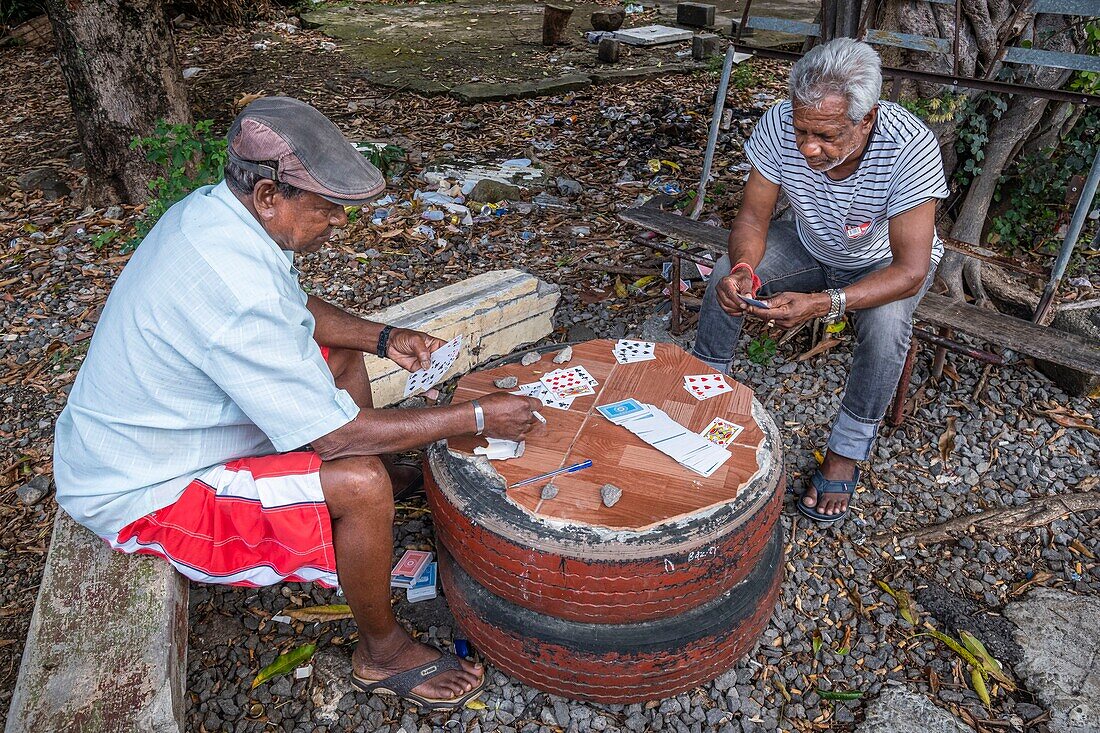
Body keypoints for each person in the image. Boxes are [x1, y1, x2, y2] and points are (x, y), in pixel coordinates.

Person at [53, 96, 543, 709]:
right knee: (359, 479)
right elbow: (334, 439)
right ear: (268, 196)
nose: (338, 221)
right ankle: (381, 652)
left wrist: (385, 337)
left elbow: (293, 310)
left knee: (340, 357)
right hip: (142, 486)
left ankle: (383, 491)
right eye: (327, 209)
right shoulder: (232, 285)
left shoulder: (213, 215)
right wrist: (476, 416)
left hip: (147, 432)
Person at [692, 38, 948, 524]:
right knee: (726, 276)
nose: (809, 147)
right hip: (812, 246)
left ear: (866, 119)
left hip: (883, 266)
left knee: (886, 329)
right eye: (802, 129)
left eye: (827, 135)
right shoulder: (778, 124)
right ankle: (705, 392)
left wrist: (824, 303)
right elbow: (752, 216)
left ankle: (845, 453)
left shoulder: (908, 147)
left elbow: (911, 271)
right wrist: (745, 268)